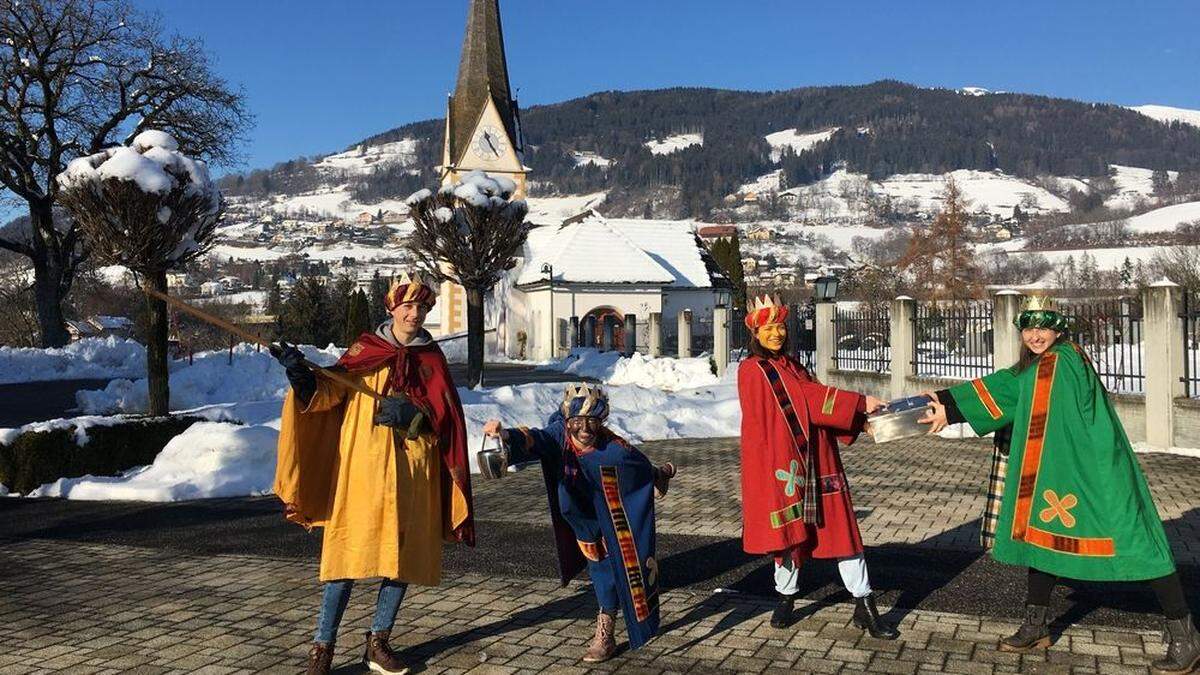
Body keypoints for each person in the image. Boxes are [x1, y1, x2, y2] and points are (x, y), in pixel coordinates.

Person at [920, 295, 1198, 674]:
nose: (1035, 336)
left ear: (1058, 329)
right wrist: (944, 400)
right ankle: (1036, 625)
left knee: (1138, 541)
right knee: (1042, 537)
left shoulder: (1061, 361)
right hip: (1065, 465)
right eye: (1029, 329)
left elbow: (1013, 391)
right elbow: (1012, 383)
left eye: (1043, 328)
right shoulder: (1045, 362)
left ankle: (1185, 634)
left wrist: (950, 407)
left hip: (1097, 469)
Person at [273, 272, 475, 675]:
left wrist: (416, 414)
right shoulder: (365, 350)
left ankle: (377, 642)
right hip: (362, 470)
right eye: (407, 306)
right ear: (392, 307)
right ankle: (323, 648)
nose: (414, 313)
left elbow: (448, 420)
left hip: (412, 472)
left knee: (402, 558)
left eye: (422, 307)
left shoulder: (432, 360)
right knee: (346, 557)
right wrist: (301, 376)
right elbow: (329, 394)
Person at [736, 294, 898, 638]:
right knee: (789, 538)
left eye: (780, 326)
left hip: (818, 460)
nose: (776, 333)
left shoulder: (794, 365)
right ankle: (786, 597)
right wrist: (858, 403)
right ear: (755, 333)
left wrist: (860, 423)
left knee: (844, 532)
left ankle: (864, 604)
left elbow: (815, 401)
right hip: (780, 466)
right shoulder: (753, 369)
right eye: (768, 328)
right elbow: (805, 398)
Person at [482, 384, 675, 663]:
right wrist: (504, 435)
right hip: (579, 517)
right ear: (567, 420)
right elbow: (533, 439)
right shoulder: (558, 436)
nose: (585, 429)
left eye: (592, 422)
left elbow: (637, 466)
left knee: (606, 567)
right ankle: (608, 612)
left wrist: (657, 474)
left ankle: (605, 629)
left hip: (611, 512)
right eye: (577, 422)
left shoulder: (613, 449)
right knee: (597, 562)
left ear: (602, 422)